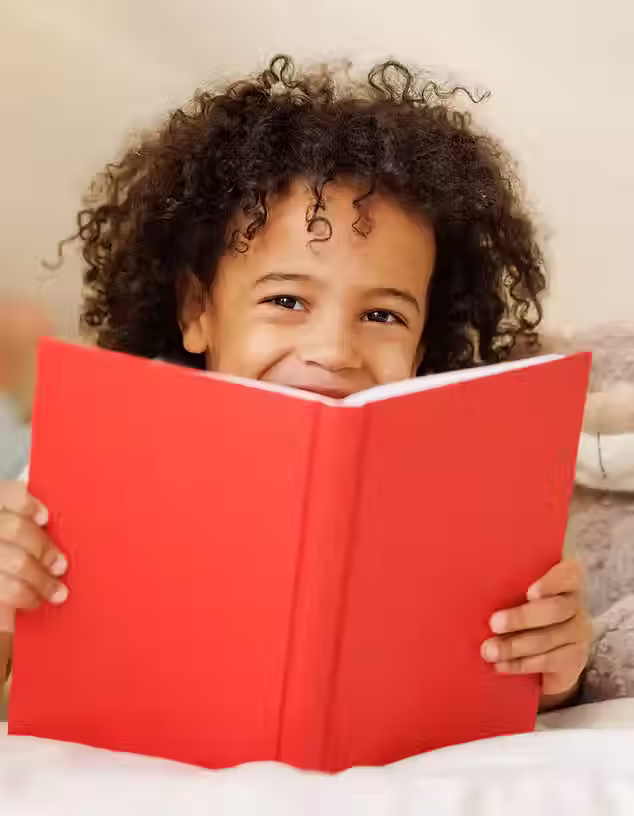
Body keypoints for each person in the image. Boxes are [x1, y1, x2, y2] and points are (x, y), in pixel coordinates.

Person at [0, 56, 591, 713]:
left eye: (381, 315)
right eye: (286, 301)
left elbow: (525, 675)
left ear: (423, 342)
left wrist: (556, 669)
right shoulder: (88, 468)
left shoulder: (474, 490)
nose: (335, 352)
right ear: (198, 311)